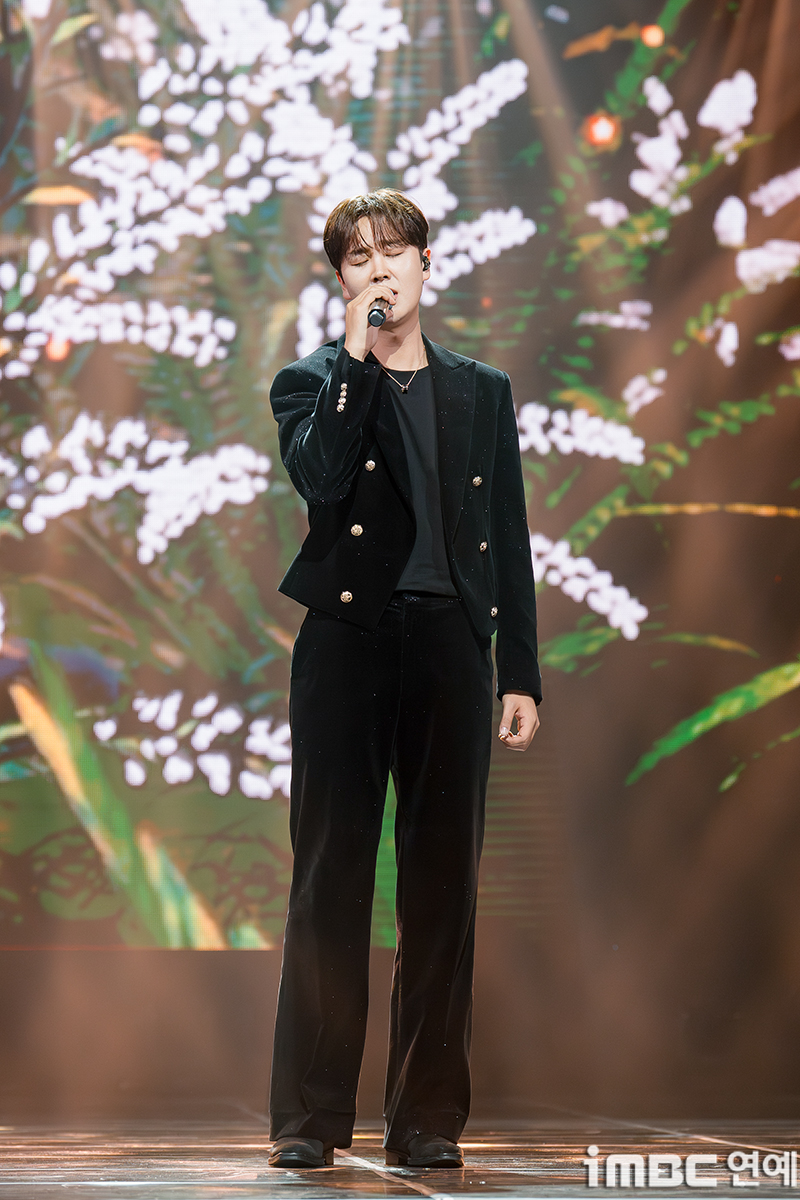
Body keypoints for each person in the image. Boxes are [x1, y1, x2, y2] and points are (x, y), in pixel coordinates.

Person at [267, 188, 541, 1171]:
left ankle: (426, 1118)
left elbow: (506, 533)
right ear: (341, 278)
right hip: (345, 643)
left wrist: (519, 672)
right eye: (358, 257)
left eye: (393, 250)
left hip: (449, 647)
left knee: (441, 888)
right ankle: (308, 1121)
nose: (378, 268)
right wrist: (353, 359)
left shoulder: (480, 389)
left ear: (427, 262)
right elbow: (321, 480)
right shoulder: (309, 381)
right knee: (328, 879)